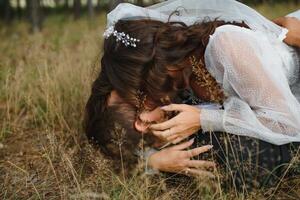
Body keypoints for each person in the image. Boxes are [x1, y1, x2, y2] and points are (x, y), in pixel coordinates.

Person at [84, 0, 300, 189]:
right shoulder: (176, 79)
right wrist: (150, 161)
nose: (141, 99)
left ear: (153, 71)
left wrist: (203, 119)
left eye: (137, 92)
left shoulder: (225, 47)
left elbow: (290, 124)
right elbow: (108, 133)